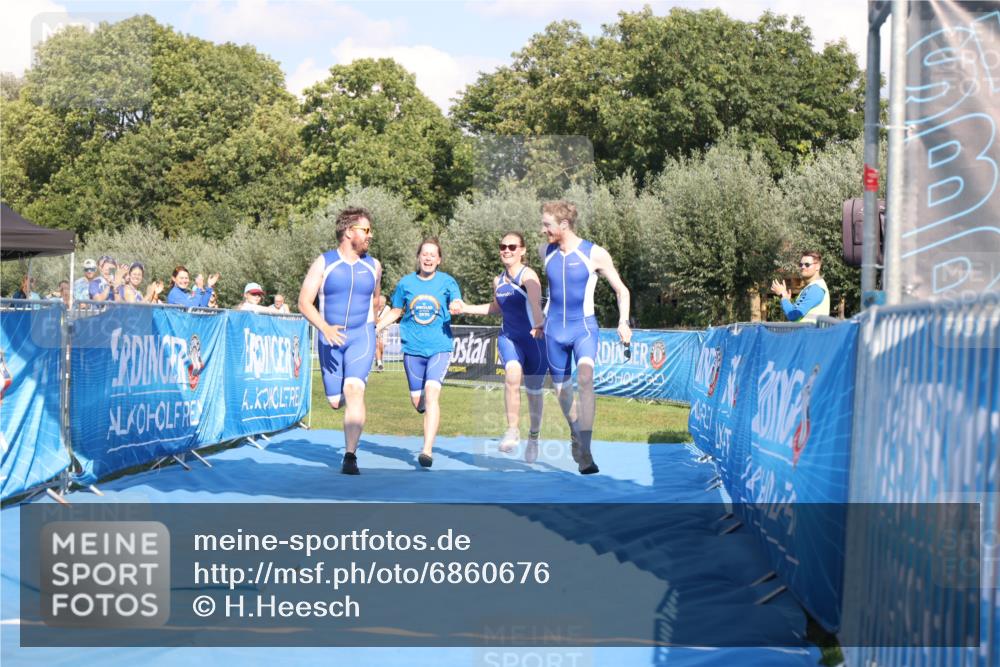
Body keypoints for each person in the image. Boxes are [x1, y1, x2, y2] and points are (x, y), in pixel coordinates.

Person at [540, 200, 632, 475]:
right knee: (562, 391)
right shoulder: (545, 251)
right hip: (553, 331)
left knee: (585, 379)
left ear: (564, 225)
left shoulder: (595, 254)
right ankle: (576, 434)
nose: (543, 230)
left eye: (547, 225)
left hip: (584, 329)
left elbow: (622, 290)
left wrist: (623, 321)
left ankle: (586, 449)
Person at [298, 207, 381, 475]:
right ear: (348, 232)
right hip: (330, 338)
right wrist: (324, 328)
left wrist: (373, 324)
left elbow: (376, 299)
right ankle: (340, 397)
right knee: (336, 401)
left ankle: (350, 456)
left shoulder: (374, 266)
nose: (370, 235)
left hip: (361, 336)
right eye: (366, 230)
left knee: (355, 390)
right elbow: (303, 302)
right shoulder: (324, 263)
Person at [376, 238, 464, 469]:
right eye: (424, 254)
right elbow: (396, 310)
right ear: (418, 257)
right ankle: (424, 410)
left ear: (439, 259)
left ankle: (427, 450)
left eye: (432, 255)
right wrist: (376, 327)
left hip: (439, 347)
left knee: (432, 393)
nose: (428, 258)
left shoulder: (447, 281)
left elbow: (456, 299)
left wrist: (456, 303)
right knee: (418, 402)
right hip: (412, 349)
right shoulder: (406, 284)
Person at [459, 232, 547, 463]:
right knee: (511, 376)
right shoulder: (498, 281)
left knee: (534, 393)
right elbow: (496, 308)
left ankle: (534, 437)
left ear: (522, 251)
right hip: (509, 337)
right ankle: (512, 430)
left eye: (512, 246)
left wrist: (539, 324)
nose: (506, 250)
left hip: (535, 340)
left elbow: (536, 303)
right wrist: (466, 307)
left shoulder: (528, 275)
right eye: (502, 246)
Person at [770, 251, 830, 323]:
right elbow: (795, 314)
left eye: (807, 264)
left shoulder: (816, 289)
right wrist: (787, 300)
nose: (803, 267)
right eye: (801, 264)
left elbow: (794, 316)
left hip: (809, 333)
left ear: (817, 266)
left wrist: (784, 296)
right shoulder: (812, 287)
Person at [373, 294, 389, 372]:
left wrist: (377, 319)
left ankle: (379, 362)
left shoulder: (387, 308)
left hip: (384, 330)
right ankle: (379, 364)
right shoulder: (374, 308)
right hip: (376, 329)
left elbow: (383, 320)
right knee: (377, 345)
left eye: (381, 302)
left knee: (382, 347)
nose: (379, 303)